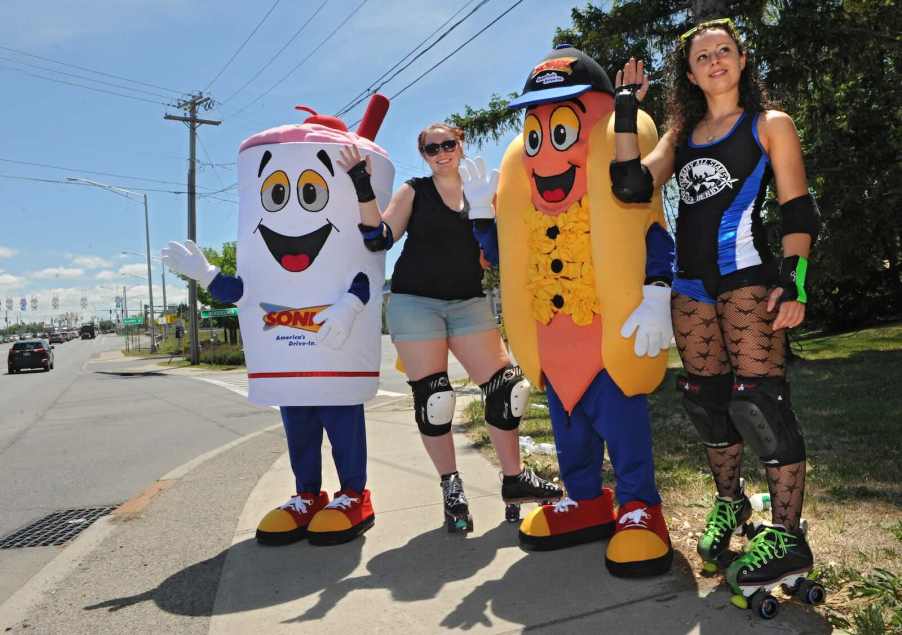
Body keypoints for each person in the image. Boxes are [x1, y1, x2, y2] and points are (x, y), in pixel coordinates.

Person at [610, 18, 820, 602]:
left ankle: (787, 535)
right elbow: (629, 184)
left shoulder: (768, 124)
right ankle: (730, 506)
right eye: (703, 56)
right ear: (691, 71)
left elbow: (799, 212)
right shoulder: (683, 131)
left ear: (742, 59)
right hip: (691, 285)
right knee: (707, 404)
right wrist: (626, 109)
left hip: (749, 279)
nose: (715, 61)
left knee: (761, 404)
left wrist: (795, 283)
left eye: (724, 51)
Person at [337, 122, 562, 533]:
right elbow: (377, 238)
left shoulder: (482, 188)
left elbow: (495, 254)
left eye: (448, 144)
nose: (441, 152)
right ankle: (451, 486)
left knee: (507, 390)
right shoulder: (415, 191)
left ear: (462, 145)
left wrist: (485, 216)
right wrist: (361, 183)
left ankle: (513, 480)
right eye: (431, 147)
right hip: (415, 302)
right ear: (423, 153)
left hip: (468, 301)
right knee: (435, 399)